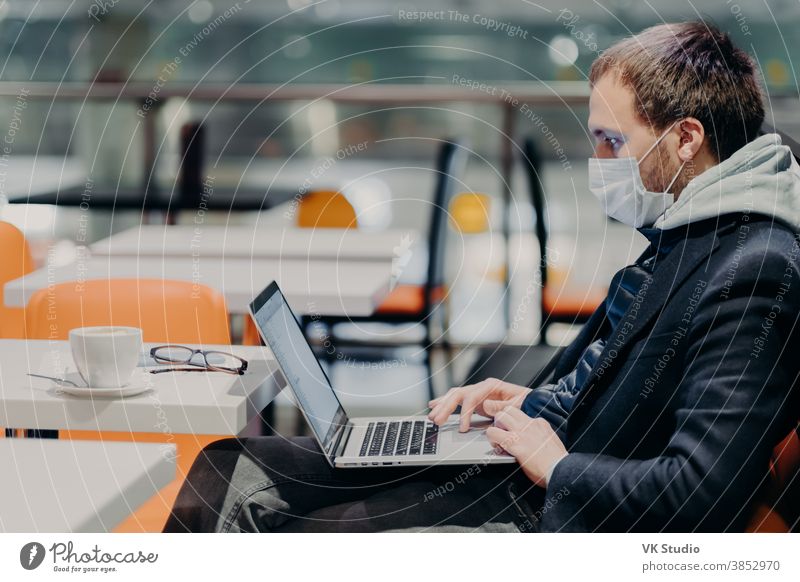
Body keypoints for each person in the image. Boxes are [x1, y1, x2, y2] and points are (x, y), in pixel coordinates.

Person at [163, 21, 800, 533]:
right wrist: (529, 402)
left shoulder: (755, 269)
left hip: (551, 512)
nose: (597, 162)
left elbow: (702, 493)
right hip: (529, 463)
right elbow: (625, 390)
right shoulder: (694, 232)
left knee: (291, 519)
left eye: (611, 142)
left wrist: (557, 465)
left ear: (686, 138)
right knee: (229, 464)